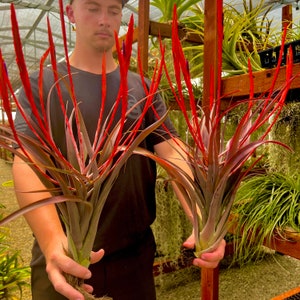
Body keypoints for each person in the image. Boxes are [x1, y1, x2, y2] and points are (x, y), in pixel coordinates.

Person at [12, 0, 226, 299]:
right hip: (66, 259)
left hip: (134, 259)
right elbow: (26, 162)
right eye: (93, 7)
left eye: (113, 10)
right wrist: (51, 242)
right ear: (69, 12)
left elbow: (172, 152)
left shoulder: (142, 88)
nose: (105, 19)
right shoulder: (40, 84)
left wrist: (202, 218)